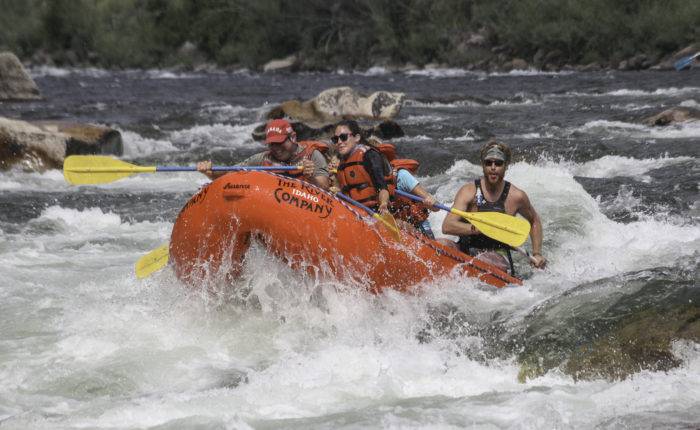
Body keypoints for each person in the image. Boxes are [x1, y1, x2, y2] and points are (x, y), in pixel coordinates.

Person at [441, 140, 546, 274]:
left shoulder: (516, 196)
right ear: (483, 165)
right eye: (488, 162)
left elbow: (534, 221)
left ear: (506, 166)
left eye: (498, 163)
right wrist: (477, 228)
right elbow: (447, 226)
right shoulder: (468, 191)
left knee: (485, 261)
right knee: (441, 244)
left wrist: (537, 253)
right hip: (464, 249)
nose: (493, 167)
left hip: (496, 255)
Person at [332, 120, 437, 237]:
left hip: (415, 224)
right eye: (335, 139)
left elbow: (435, 206)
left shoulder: (401, 176)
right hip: (368, 216)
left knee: (400, 224)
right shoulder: (343, 165)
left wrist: (431, 202)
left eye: (343, 137)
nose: (339, 142)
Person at [197, 119, 330, 190]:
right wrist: (209, 171)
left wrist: (310, 176)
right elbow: (227, 174)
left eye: (280, 142)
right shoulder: (262, 159)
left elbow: (325, 188)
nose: (276, 148)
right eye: (272, 143)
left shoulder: (313, 155)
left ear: (293, 138)